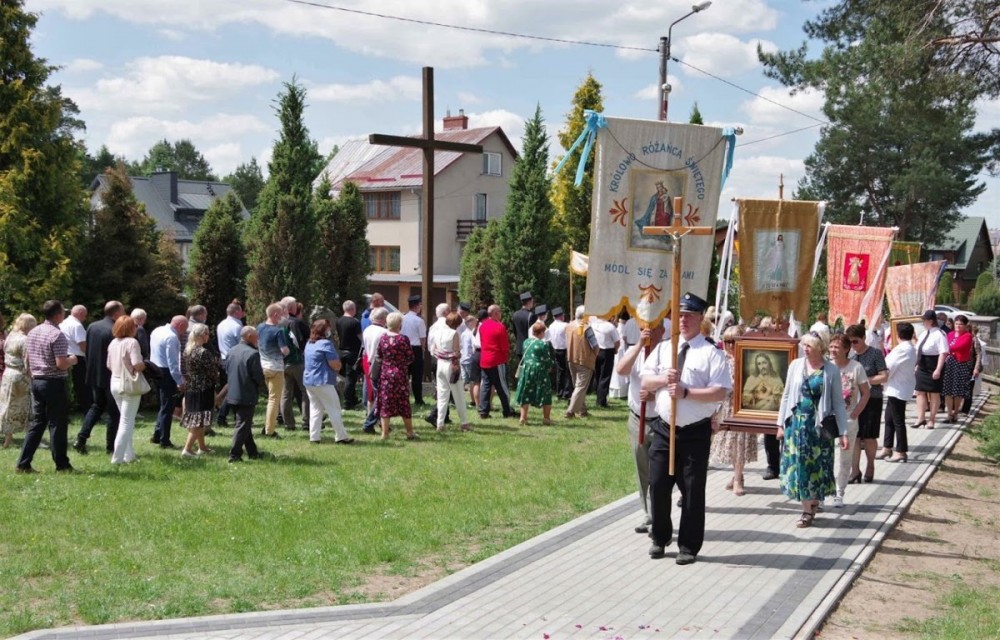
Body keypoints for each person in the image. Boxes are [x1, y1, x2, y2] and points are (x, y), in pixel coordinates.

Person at [640, 292, 731, 565]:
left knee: (692, 489)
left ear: (700, 318)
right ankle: (660, 536)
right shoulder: (664, 348)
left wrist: (686, 392)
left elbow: (720, 391)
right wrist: (662, 379)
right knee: (658, 484)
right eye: (679, 315)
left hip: (694, 432)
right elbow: (645, 381)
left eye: (689, 315)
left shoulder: (711, 352)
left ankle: (689, 545)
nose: (683, 320)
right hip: (664, 428)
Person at [776, 331, 850, 528]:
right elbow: (786, 395)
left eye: (809, 346)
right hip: (796, 426)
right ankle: (806, 510)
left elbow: (838, 403)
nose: (805, 349)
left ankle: (814, 500)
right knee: (800, 466)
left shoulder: (831, 370)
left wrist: (843, 432)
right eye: (804, 345)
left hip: (819, 427)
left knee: (818, 466)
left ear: (819, 347)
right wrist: (780, 424)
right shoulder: (795, 365)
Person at [16, 300, 78, 473]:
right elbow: (61, 364)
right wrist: (72, 360)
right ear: (58, 315)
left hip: (37, 381)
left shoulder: (33, 332)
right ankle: (62, 465)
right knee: (57, 424)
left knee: (38, 423)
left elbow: (28, 359)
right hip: (53, 383)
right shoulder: (57, 335)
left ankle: (23, 463)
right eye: (63, 312)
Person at [616, 325, 663, 532]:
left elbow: (676, 384)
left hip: (661, 420)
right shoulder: (636, 352)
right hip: (638, 420)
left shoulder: (667, 353)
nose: (649, 331)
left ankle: (660, 515)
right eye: (645, 328)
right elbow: (621, 370)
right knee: (642, 469)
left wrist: (656, 395)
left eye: (654, 328)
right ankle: (649, 514)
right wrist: (639, 345)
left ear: (662, 330)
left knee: (659, 472)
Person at [709, 325, 758, 497]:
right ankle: (737, 475)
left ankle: (738, 478)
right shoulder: (721, 359)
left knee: (740, 442)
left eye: (734, 341)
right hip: (726, 405)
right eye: (727, 341)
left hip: (743, 406)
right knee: (730, 443)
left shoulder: (748, 361)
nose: (730, 345)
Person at [74, 300, 124, 455]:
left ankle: (81, 438)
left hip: (94, 374)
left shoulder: (92, 326)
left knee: (96, 406)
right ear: (116, 313)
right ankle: (111, 447)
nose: (124, 314)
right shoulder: (115, 329)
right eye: (122, 311)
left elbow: (87, 350)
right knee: (114, 412)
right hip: (110, 375)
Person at [828, 333, 870, 506]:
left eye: (837, 347)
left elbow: (866, 392)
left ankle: (839, 492)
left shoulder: (856, 367)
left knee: (845, 457)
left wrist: (856, 412)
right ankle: (823, 492)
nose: (833, 350)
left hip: (848, 418)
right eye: (831, 346)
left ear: (846, 349)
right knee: (826, 456)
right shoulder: (826, 366)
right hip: (828, 418)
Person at [846, 323, 888, 483]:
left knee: (869, 436)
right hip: (854, 401)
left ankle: (870, 465)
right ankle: (855, 470)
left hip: (872, 399)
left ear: (864, 338)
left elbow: (884, 376)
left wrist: (864, 381)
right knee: (855, 436)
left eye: (855, 341)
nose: (853, 345)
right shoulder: (850, 356)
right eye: (850, 342)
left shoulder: (875, 354)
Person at [304, 318, 354, 444]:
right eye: (328, 328)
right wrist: (338, 366)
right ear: (323, 330)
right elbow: (335, 364)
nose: (330, 330)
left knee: (315, 409)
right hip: (322, 381)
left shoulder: (309, 343)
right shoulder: (325, 344)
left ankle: (314, 437)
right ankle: (341, 436)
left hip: (309, 381)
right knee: (334, 408)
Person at [106, 315, 146, 465]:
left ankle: (129, 455)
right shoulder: (132, 342)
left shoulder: (113, 343)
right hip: (128, 384)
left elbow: (108, 365)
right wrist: (145, 365)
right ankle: (117, 459)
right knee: (126, 422)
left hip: (114, 383)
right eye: (134, 326)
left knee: (125, 420)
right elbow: (137, 364)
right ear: (130, 328)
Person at [224, 326, 266, 463]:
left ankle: (253, 452)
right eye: (256, 336)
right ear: (249, 336)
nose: (258, 339)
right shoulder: (253, 354)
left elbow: (226, 371)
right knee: (242, 425)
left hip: (233, 393)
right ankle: (234, 455)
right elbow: (258, 377)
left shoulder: (231, 351)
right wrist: (262, 386)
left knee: (244, 424)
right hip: (246, 394)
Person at [878, 322, 917, 464]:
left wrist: (881, 379)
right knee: (889, 418)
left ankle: (901, 451)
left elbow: (889, 366)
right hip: (897, 387)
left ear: (898, 334)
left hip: (898, 388)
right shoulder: (909, 348)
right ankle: (887, 447)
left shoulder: (902, 349)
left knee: (898, 420)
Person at [376, 312, 418, 440]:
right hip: (400, 374)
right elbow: (410, 357)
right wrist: (402, 363)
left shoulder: (383, 338)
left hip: (386, 374)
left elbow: (379, 355)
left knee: (386, 402)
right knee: (403, 402)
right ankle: (410, 432)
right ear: (399, 323)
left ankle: (385, 433)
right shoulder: (403, 339)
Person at [179, 323, 218, 458]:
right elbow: (212, 371)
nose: (208, 336)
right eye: (207, 333)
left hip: (191, 387)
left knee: (197, 417)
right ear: (202, 335)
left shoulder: (188, 350)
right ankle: (187, 449)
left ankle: (202, 447)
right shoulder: (203, 352)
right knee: (200, 420)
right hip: (203, 388)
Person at [150, 315, 187, 449]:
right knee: (168, 408)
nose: (183, 333)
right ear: (180, 326)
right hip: (166, 373)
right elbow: (173, 363)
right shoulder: (172, 337)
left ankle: (157, 434)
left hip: (155, 369)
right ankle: (164, 440)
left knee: (163, 405)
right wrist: (180, 381)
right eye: (184, 329)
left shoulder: (157, 330)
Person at [1, 314, 38, 448]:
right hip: (20, 377)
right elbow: (28, 362)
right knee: (26, 408)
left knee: (8, 406)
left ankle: (8, 439)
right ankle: (31, 438)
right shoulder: (25, 340)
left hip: (8, 374)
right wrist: (34, 376)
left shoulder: (11, 336)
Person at [431, 312, 470, 432]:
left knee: (442, 395)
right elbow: (456, 352)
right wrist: (458, 355)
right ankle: (464, 423)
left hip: (440, 364)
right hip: (451, 365)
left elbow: (434, 349)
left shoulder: (437, 332)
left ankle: (440, 423)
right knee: (459, 395)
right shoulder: (454, 333)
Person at [257, 302, 289, 438]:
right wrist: (288, 351)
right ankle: (269, 430)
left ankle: (267, 426)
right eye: (280, 315)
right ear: (275, 315)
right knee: (274, 400)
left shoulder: (259, 327)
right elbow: (284, 350)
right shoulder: (278, 331)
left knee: (271, 398)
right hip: (276, 368)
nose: (282, 317)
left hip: (263, 366)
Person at [912, 309, 949, 429]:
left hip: (933, 364)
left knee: (934, 393)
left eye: (924, 320)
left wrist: (938, 369)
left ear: (931, 321)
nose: (923, 322)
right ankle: (921, 418)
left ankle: (932, 419)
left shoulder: (940, 334)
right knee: (919, 391)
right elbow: (918, 349)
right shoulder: (924, 333)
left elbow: (943, 353)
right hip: (922, 365)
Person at [513, 321, 554, 426]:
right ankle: (546, 418)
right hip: (539, 370)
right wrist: (550, 366)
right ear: (541, 332)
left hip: (527, 370)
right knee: (546, 393)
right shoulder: (542, 344)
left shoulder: (526, 342)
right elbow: (547, 360)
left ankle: (523, 417)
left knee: (526, 392)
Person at [478, 304, 514, 419]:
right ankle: (507, 410)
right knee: (502, 386)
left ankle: (483, 410)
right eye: (500, 311)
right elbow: (504, 346)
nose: (501, 314)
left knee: (486, 385)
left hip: (485, 359)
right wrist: (506, 357)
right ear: (495, 313)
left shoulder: (482, 326)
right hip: (497, 360)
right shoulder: (499, 327)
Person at [279, 296, 310, 431]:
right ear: (292, 307)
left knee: (285, 394)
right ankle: (307, 421)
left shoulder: (274, 323)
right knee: (305, 392)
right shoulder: (294, 323)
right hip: (296, 361)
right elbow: (300, 342)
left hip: (281, 363)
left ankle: (288, 423)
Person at [565, 306, 597, 419]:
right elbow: (595, 346)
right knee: (580, 387)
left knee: (578, 387)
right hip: (584, 360)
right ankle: (570, 411)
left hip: (571, 358)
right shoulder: (587, 328)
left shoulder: (568, 326)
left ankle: (582, 410)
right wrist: (594, 355)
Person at [215, 300, 244, 427]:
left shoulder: (221, 324)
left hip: (224, 358)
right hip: (235, 359)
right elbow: (242, 344)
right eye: (241, 311)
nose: (243, 313)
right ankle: (222, 415)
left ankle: (229, 414)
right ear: (237, 312)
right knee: (234, 388)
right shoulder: (237, 326)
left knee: (230, 387)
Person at [942, 314, 974, 423]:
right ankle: (949, 414)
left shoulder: (967, 336)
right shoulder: (950, 334)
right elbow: (946, 345)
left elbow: (958, 346)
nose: (958, 326)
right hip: (949, 364)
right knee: (947, 390)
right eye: (956, 324)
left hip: (960, 365)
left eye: (961, 324)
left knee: (957, 391)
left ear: (965, 325)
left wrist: (945, 348)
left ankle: (955, 413)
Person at [59, 304, 88, 413]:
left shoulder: (63, 323)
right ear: (80, 313)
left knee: (68, 384)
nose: (85, 318)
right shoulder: (77, 325)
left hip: (64, 356)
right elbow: (82, 345)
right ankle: (85, 407)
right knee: (81, 385)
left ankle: (70, 406)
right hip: (77, 358)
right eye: (85, 315)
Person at [336, 300, 363, 410]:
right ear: (352, 309)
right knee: (351, 378)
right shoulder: (355, 322)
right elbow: (360, 338)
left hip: (342, 351)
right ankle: (347, 402)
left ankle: (353, 398)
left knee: (349, 376)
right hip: (352, 352)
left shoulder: (339, 321)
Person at [401, 294, 427, 406]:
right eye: (420, 305)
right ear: (417, 306)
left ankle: (403, 398)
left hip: (403, 348)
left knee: (404, 375)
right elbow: (422, 338)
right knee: (416, 376)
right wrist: (423, 349)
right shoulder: (419, 320)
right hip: (415, 348)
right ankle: (418, 399)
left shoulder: (402, 318)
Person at [591, 315, 620, 408]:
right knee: (605, 376)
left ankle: (598, 395)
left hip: (596, 351)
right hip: (607, 351)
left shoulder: (593, 324)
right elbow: (617, 341)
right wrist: (615, 349)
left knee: (598, 374)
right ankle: (601, 400)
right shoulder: (610, 326)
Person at [548, 307, 571, 401]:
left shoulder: (551, 326)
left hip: (555, 349)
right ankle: (566, 392)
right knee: (567, 371)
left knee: (560, 371)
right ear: (561, 316)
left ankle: (559, 392)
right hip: (565, 350)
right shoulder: (565, 325)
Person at [460, 314, 480, 410]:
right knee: (473, 381)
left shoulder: (463, 333)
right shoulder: (470, 334)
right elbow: (475, 345)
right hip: (469, 359)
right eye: (474, 322)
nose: (476, 323)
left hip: (463, 359)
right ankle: (473, 400)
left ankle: (459, 399)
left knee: (464, 381)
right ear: (470, 323)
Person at [511, 292, 535, 357]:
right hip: (528, 347)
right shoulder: (531, 315)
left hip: (519, 347)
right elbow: (533, 333)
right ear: (529, 302)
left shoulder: (515, 314)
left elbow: (515, 331)